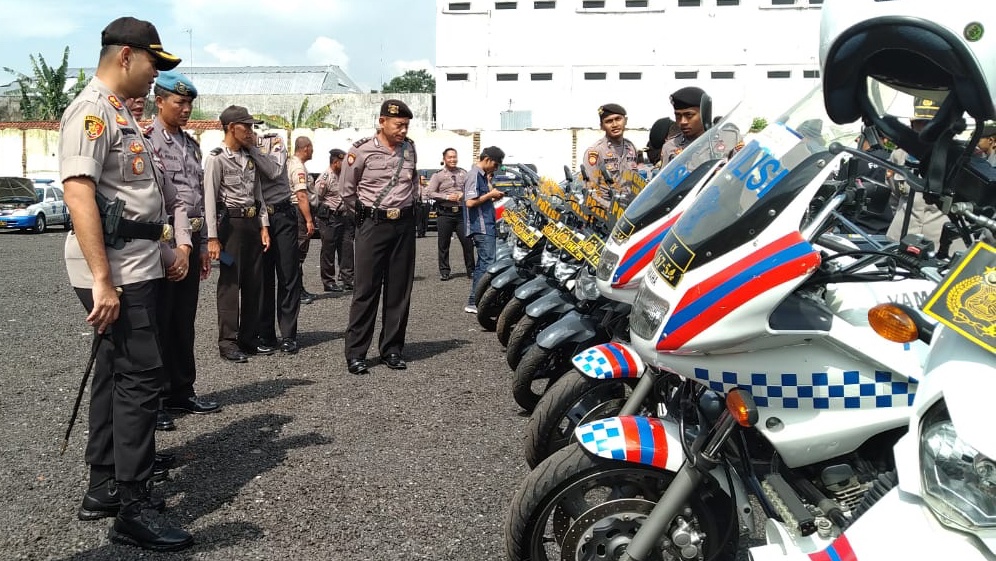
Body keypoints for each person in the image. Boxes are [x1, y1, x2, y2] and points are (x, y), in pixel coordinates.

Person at [59, 16, 192, 550]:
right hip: (115, 270)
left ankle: (104, 485)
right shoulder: (92, 112)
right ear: (125, 57)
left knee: (116, 371)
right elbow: (78, 194)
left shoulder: (120, 113)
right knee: (141, 377)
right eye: (153, 64)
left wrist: (161, 246)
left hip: (134, 259)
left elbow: (135, 200)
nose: (154, 76)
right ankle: (132, 505)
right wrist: (102, 279)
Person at [145, 71, 220, 427]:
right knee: (159, 320)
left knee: (183, 321)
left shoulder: (191, 145)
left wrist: (203, 245)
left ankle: (181, 391)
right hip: (163, 243)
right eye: (179, 102)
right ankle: (156, 400)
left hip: (191, 240)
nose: (186, 109)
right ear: (159, 102)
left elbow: (200, 200)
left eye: (189, 103)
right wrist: (172, 246)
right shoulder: (147, 141)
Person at [340, 99, 419, 375]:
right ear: (382, 121)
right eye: (398, 125)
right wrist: (366, 218)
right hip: (373, 225)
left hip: (404, 225)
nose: (403, 130)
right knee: (366, 290)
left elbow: (413, 184)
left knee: (399, 290)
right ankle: (356, 353)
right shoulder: (360, 151)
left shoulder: (409, 149)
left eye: (406, 125)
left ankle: (392, 349)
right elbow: (347, 191)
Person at [204, 105, 271, 363]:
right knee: (231, 283)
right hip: (230, 226)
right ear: (232, 128)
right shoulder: (216, 158)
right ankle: (228, 342)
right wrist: (212, 238)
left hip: (252, 224)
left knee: (255, 283)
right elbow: (209, 200)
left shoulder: (250, 158)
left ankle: (249, 338)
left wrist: (264, 226)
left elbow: (258, 196)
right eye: (248, 127)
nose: (251, 132)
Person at [252, 133, 309, 355]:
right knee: (263, 279)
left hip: (282, 214)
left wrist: (252, 149)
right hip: (258, 219)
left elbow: (275, 170)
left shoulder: (273, 140)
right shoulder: (234, 148)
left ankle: (288, 335)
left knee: (288, 275)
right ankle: (266, 334)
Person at [464, 146, 506, 314]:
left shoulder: (481, 175)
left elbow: (485, 192)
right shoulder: (473, 175)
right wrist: (490, 195)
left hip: (486, 224)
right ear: (487, 159)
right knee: (488, 264)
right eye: (495, 165)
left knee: (484, 263)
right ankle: (477, 301)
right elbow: (470, 202)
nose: (496, 168)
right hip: (480, 226)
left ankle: (476, 300)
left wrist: (490, 185)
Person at [426, 148, 474, 281]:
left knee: (468, 242)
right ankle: (445, 271)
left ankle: (471, 270)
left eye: (454, 157)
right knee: (443, 244)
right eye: (450, 157)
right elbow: (429, 193)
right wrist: (447, 197)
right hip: (445, 213)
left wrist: (462, 195)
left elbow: (471, 189)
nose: (453, 160)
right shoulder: (438, 175)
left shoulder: (463, 173)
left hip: (461, 214)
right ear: (444, 159)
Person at [581, 103, 639, 207]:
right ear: (602, 126)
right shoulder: (595, 152)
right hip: (606, 213)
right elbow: (590, 191)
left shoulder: (631, 147)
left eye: (618, 119)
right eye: (608, 121)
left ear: (625, 121)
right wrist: (612, 209)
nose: (615, 124)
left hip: (630, 210)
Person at [315, 148, 354, 292]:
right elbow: (316, 198)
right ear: (335, 162)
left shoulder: (343, 176)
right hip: (330, 218)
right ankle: (328, 281)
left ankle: (347, 278)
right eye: (342, 163)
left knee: (347, 249)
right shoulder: (326, 177)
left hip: (344, 217)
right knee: (328, 250)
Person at [287, 136, 317, 302]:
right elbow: (301, 196)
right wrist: (308, 220)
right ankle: (296, 292)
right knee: (298, 254)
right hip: (299, 213)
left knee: (297, 255)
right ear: (306, 148)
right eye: (312, 148)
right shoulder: (298, 166)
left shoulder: (292, 163)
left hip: (295, 212)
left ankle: (299, 289)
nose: (313, 151)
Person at [660, 87, 708, 163]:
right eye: (678, 116)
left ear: (704, 113)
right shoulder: (670, 146)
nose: (683, 122)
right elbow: (665, 174)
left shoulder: (726, 141)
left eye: (689, 115)